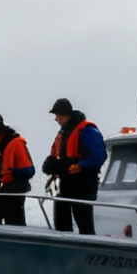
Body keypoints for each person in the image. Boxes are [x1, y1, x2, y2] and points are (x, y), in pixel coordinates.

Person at [43, 97, 106, 235]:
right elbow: (56, 154)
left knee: (83, 220)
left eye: (57, 115)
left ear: (65, 114)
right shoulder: (63, 132)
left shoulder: (87, 130)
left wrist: (80, 165)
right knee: (60, 209)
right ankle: (63, 243)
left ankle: (88, 245)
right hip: (67, 182)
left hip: (84, 183)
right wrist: (50, 164)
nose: (56, 119)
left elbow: (99, 156)